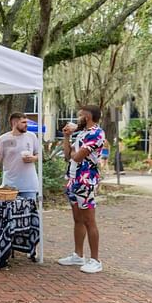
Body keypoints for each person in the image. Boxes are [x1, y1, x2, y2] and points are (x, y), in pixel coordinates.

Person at [57, 105, 106, 274]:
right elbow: (66, 155)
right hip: (73, 179)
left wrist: (73, 151)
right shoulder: (82, 133)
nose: (77, 118)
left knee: (89, 220)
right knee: (77, 218)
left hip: (86, 181)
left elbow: (77, 156)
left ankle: (95, 260)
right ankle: (78, 255)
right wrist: (66, 136)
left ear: (87, 117)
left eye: (80, 115)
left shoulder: (96, 133)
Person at [0, 112, 40, 200]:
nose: (26, 125)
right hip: (10, 185)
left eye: (27, 122)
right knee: (10, 212)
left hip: (29, 185)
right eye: (23, 122)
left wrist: (34, 158)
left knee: (29, 212)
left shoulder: (31, 136)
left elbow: (39, 154)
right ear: (14, 123)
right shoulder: (3, 138)